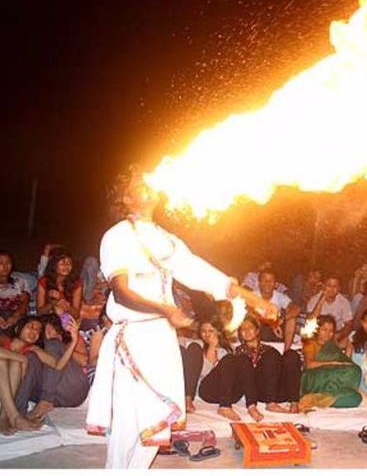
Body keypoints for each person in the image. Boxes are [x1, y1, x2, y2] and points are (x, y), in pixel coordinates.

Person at [85, 165, 279, 469]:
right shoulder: (117, 236)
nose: (149, 182)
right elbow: (121, 293)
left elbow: (206, 275)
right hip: (132, 339)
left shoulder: (166, 239)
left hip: (162, 340)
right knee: (129, 424)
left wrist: (254, 300)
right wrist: (165, 309)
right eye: (139, 181)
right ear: (125, 196)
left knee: (157, 425)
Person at [0, 316, 73, 434]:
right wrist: (22, 358)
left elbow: (57, 365)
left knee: (16, 364)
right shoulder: (3, 339)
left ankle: (4, 417)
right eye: (31, 327)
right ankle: (14, 417)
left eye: (38, 330)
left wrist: (74, 340)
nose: (34, 332)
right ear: (18, 329)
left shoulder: (31, 350)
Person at [15, 314, 89, 420]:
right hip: (52, 395)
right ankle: (18, 413)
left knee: (52, 344)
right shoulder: (36, 347)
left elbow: (84, 361)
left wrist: (65, 345)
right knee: (32, 357)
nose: (49, 331)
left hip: (73, 387)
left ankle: (46, 400)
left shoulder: (67, 340)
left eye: (53, 328)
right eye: (45, 328)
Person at [228, 316, 302, 417]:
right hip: (261, 392)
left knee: (291, 355)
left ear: (257, 331)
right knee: (269, 356)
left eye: (250, 327)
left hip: (280, 390)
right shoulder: (238, 352)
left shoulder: (269, 350)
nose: (246, 331)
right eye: (243, 329)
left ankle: (294, 402)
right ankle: (270, 403)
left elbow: (281, 369)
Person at [300, 314, 362, 409]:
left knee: (356, 397)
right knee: (352, 371)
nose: (328, 333)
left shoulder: (333, 344)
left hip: (331, 377)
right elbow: (309, 365)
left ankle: (317, 399)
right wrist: (332, 363)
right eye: (324, 330)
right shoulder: (310, 343)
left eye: (331, 331)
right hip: (314, 378)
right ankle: (316, 396)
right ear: (317, 330)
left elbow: (343, 358)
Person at [179, 320, 229, 413]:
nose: (206, 334)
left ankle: (188, 398)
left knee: (194, 347)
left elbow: (205, 373)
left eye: (211, 331)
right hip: (188, 386)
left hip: (209, 389)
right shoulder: (197, 345)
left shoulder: (224, 352)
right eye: (203, 331)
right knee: (192, 347)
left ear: (218, 332)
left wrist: (212, 346)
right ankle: (187, 398)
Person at [252, 268, 301, 350]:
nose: (267, 283)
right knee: (253, 317)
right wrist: (272, 323)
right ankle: (255, 350)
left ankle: (286, 352)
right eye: (265, 280)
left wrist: (281, 319)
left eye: (271, 281)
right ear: (259, 283)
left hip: (275, 330)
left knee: (292, 319)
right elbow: (250, 313)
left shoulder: (279, 296)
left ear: (276, 284)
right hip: (257, 328)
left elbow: (296, 309)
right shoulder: (252, 295)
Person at [36, 249, 83, 320]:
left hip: (67, 318)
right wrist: (53, 302)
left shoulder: (76, 282)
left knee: (60, 311)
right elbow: (39, 312)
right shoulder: (44, 281)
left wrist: (61, 300)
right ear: (54, 265)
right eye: (63, 263)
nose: (67, 266)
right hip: (49, 317)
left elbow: (76, 314)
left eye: (69, 263)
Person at [305, 275, 353, 342]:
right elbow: (310, 321)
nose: (331, 289)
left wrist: (337, 335)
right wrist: (322, 299)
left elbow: (349, 324)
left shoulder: (344, 302)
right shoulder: (314, 299)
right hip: (317, 335)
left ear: (339, 288)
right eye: (329, 285)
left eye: (335, 286)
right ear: (324, 286)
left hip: (335, 335)